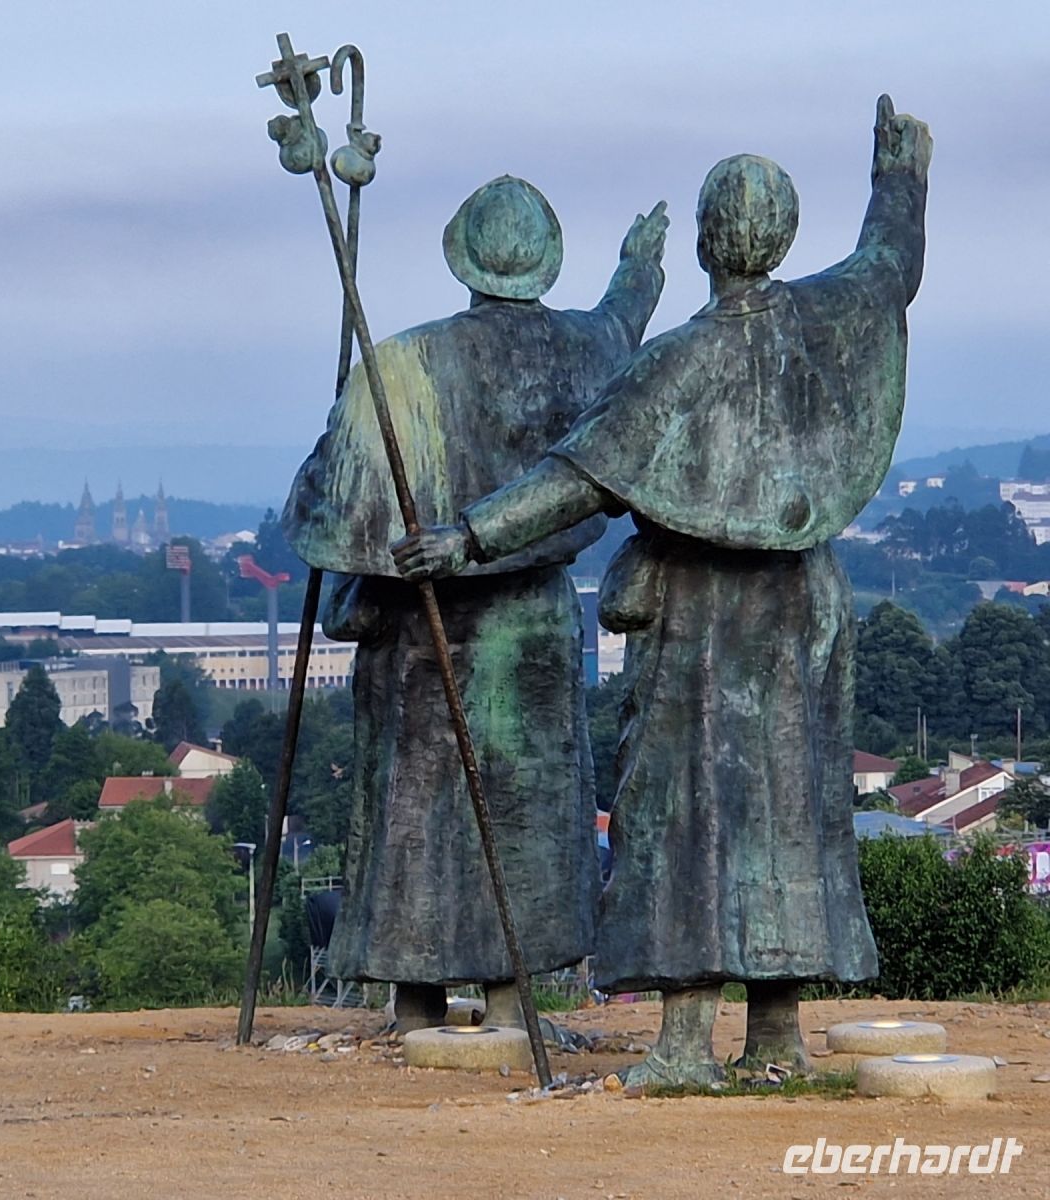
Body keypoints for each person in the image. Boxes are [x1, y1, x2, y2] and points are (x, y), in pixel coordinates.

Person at [392, 97, 930, 1079]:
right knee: (790, 813)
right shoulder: (829, 319)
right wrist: (899, 178)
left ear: (706, 245)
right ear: (781, 238)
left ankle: (687, 1041)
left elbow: (574, 478)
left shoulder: (675, 364)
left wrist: (466, 535)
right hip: (805, 608)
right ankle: (776, 1034)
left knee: (687, 814)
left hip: (701, 613)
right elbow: (892, 264)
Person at [283, 175, 667, 1030]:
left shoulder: (405, 365)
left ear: (462, 258)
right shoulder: (588, 348)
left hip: (423, 623)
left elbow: (327, 514)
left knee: (413, 805)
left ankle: (414, 1002)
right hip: (531, 622)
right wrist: (640, 268)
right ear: (546, 262)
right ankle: (507, 1001)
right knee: (525, 811)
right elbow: (622, 322)